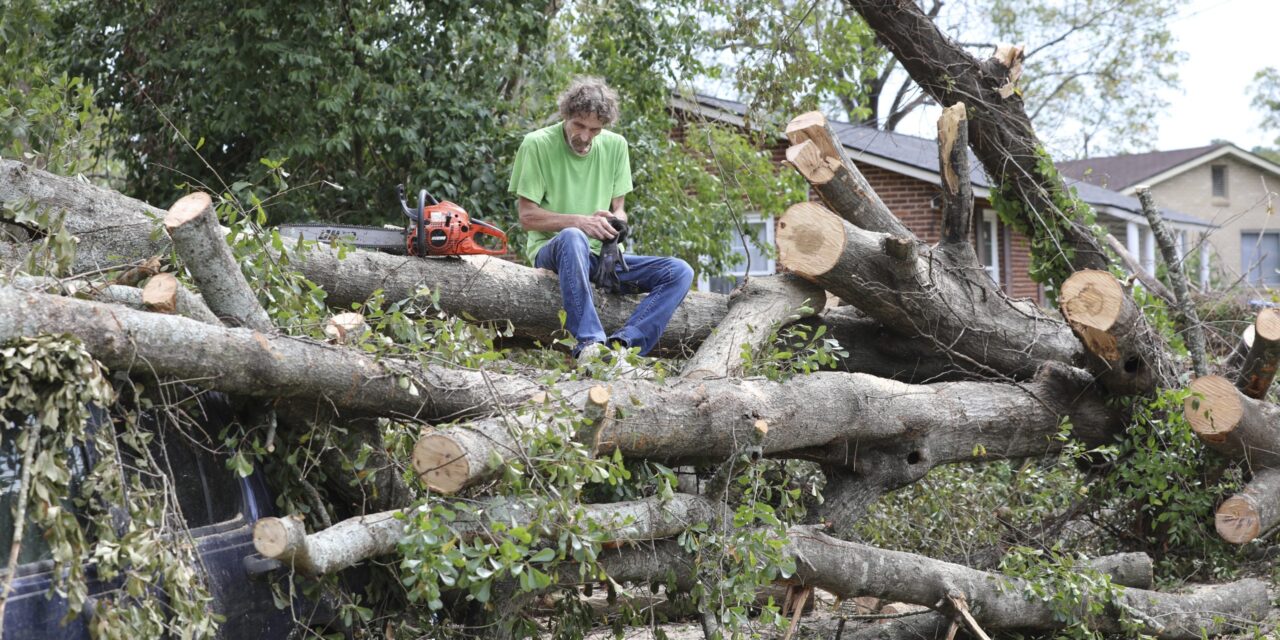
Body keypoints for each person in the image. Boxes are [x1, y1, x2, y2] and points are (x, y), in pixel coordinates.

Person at [509, 77, 693, 363]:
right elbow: (527, 217)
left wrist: (614, 221)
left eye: (595, 129)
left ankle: (623, 347)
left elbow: (620, 209)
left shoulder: (616, 146)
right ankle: (589, 344)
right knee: (573, 236)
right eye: (579, 126)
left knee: (679, 271)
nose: (585, 136)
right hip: (556, 253)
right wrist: (580, 222)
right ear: (566, 115)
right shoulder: (537, 145)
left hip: (601, 260)